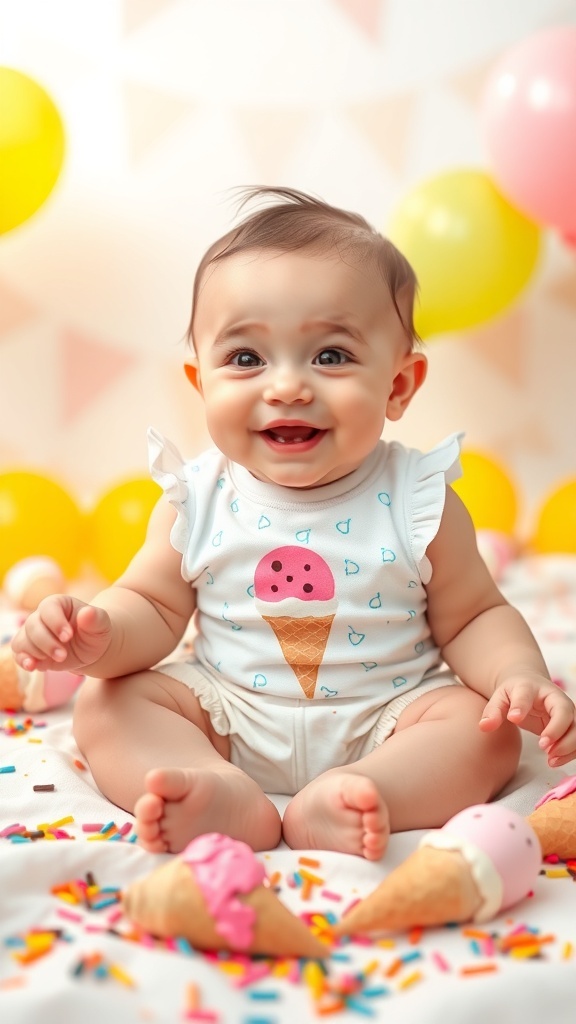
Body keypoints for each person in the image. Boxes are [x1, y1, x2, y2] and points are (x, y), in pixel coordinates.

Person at [12, 187, 576, 860]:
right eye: (246, 359)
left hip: (388, 718)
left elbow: (475, 616)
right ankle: (219, 790)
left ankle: (363, 793)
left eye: (330, 356)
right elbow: (152, 606)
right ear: (202, 383)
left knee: (482, 732)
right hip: (228, 711)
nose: (286, 387)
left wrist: (518, 673)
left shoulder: (419, 497)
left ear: (398, 386)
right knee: (107, 706)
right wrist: (95, 636)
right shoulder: (197, 497)